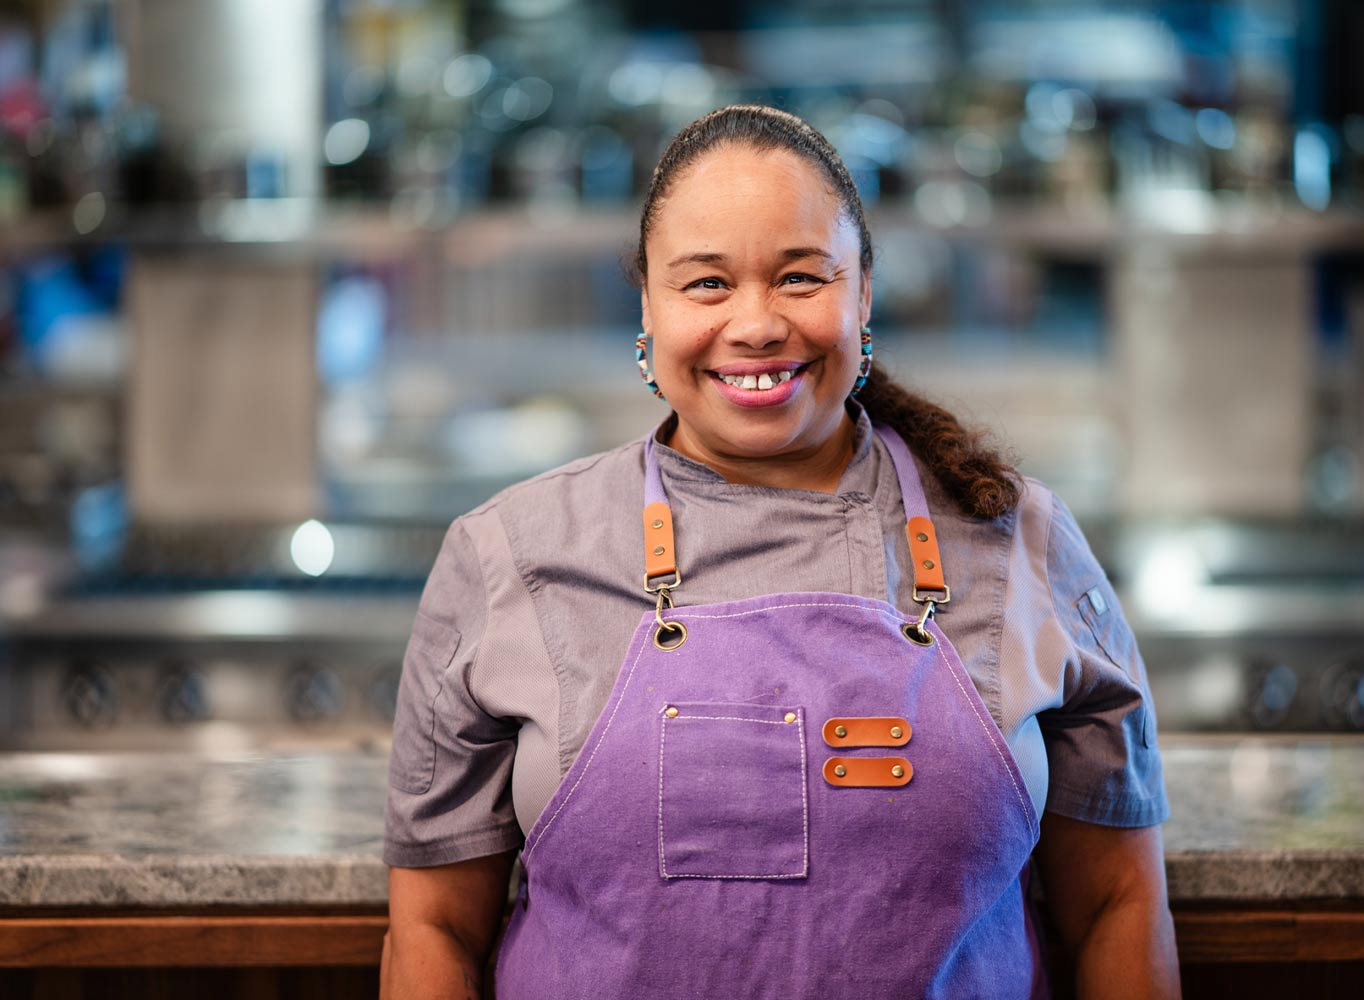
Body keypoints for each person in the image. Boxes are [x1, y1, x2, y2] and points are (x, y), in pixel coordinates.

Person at [381, 104, 1179, 1000]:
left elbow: (1118, 901)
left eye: (802, 278)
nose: (756, 326)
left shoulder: (1018, 538)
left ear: (863, 293)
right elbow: (434, 930)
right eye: (707, 284)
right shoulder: (509, 556)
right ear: (647, 302)